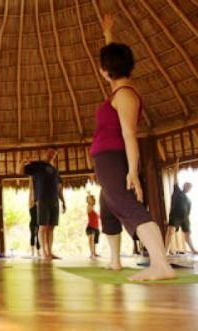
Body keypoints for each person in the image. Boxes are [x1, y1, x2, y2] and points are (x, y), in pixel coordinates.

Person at [89, 14, 175, 281]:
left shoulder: (125, 95)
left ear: (105, 70)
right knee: (108, 207)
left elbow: (129, 135)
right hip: (108, 158)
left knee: (127, 204)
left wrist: (133, 172)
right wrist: (108, 35)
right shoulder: (119, 88)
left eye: (103, 66)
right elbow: (113, 62)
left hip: (114, 157)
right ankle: (115, 260)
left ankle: (161, 265)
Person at [23, 149, 66, 260]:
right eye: (50, 152)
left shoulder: (55, 171)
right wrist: (22, 162)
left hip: (55, 201)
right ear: (45, 153)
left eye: (54, 154)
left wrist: (63, 201)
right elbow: (20, 171)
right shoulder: (38, 165)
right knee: (43, 226)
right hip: (42, 199)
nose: (52, 155)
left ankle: (50, 252)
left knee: (51, 227)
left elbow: (59, 188)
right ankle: (43, 253)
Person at [164, 159, 196, 254]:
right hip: (175, 216)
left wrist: (186, 217)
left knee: (187, 234)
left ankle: (193, 250)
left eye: (189, 187)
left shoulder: (188, 199)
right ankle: (166, 251)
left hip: (185, 217)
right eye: (187, 185)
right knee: (170, 232)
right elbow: (175, 176)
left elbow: (188, 210)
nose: (188, 187)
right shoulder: (177, 190)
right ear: (184, 185)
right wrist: (177, 164)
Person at [85, 194, 100, 259]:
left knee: (95, 241)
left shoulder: (93, 208)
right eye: (89, 199)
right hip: (90, 227)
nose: (91, 200)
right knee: (91, 240)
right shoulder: (89, 207)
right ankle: (91, 253)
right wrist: (89, 195)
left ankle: (94, 252)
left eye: (92, 199)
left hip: (96, 227)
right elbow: (89, 202)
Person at [28, 179, 40, 258]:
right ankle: (32, 252)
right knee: (33, 236)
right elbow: (31, 191)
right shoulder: (31, 205)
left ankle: (38, 252)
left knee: (38, 237)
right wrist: (31, 180)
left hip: (38, 222)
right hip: (33, 223)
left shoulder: (38, 204)